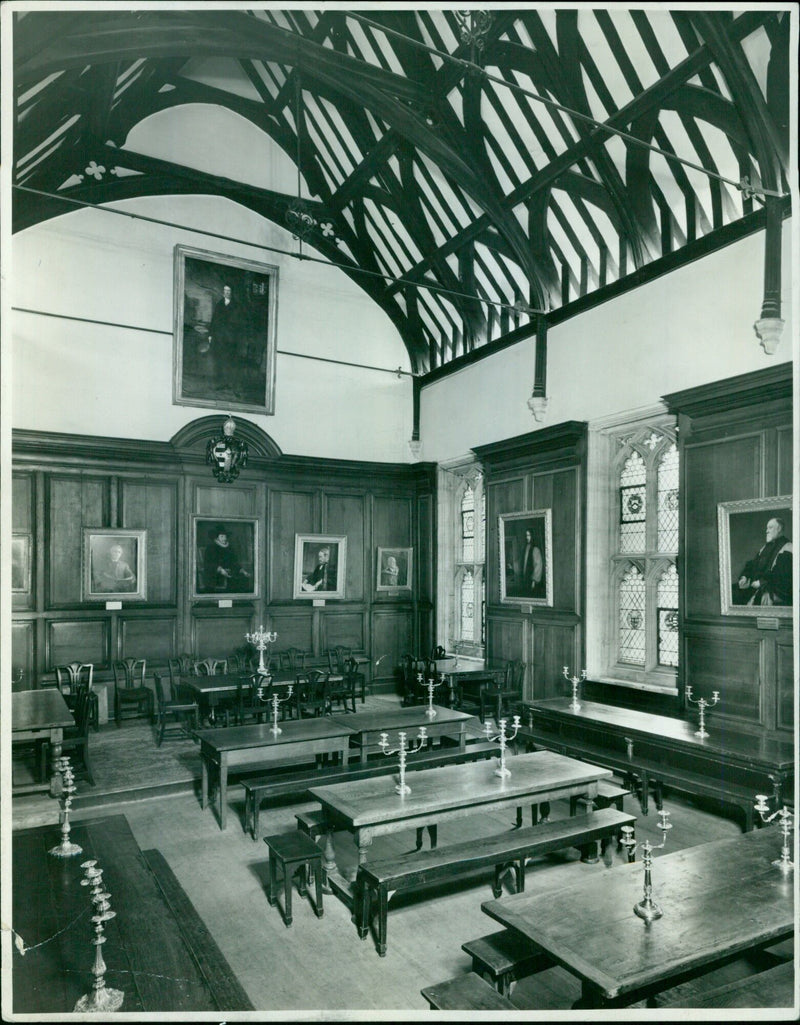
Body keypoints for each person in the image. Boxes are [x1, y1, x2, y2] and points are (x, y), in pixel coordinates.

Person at [736, 517, 793, 607]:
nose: (766, 531)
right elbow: (753, 564)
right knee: (734, 592)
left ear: (779, 529)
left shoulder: (788, 547)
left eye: (770, 528)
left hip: (775, 589)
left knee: (761, 598)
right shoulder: (765, 547)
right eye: (767, 528)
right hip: (757, 585)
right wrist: (745, 576)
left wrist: (761, 582)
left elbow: (781, 574)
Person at [201, 525, 251, 593]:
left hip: (229, 572)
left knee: (243, 579)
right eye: (222, 536)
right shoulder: (211, 548)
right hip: (215, 574)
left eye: (225, 536)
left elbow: (234, 562)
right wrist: (221, 570)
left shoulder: (230, 548)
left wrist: (243, 571)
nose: (224, 538)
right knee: (231, 581)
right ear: (217, 537)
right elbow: (208, 564)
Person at [520, 528, 544, 597]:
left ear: (532, 536)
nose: (527, 537)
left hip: (532, 581)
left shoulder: (535, 549)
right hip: (526, 580)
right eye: (526, 535)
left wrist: (534, 581)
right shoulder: (525, 548)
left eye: (529, 535)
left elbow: (538, 566)